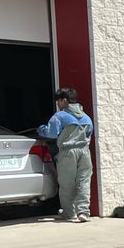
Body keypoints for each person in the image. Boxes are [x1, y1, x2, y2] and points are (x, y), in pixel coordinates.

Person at [38, 87, 94, 222]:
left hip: (68, 153)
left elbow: (51, 133)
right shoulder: (86, 117)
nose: (58, 104)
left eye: (58, 101)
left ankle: (69, 213)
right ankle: (83, 213)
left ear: (64, 100)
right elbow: (89, 132)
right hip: (85, 152)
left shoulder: (60, 116)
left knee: (66, 184)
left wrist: (41, 129)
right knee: (84, 182)